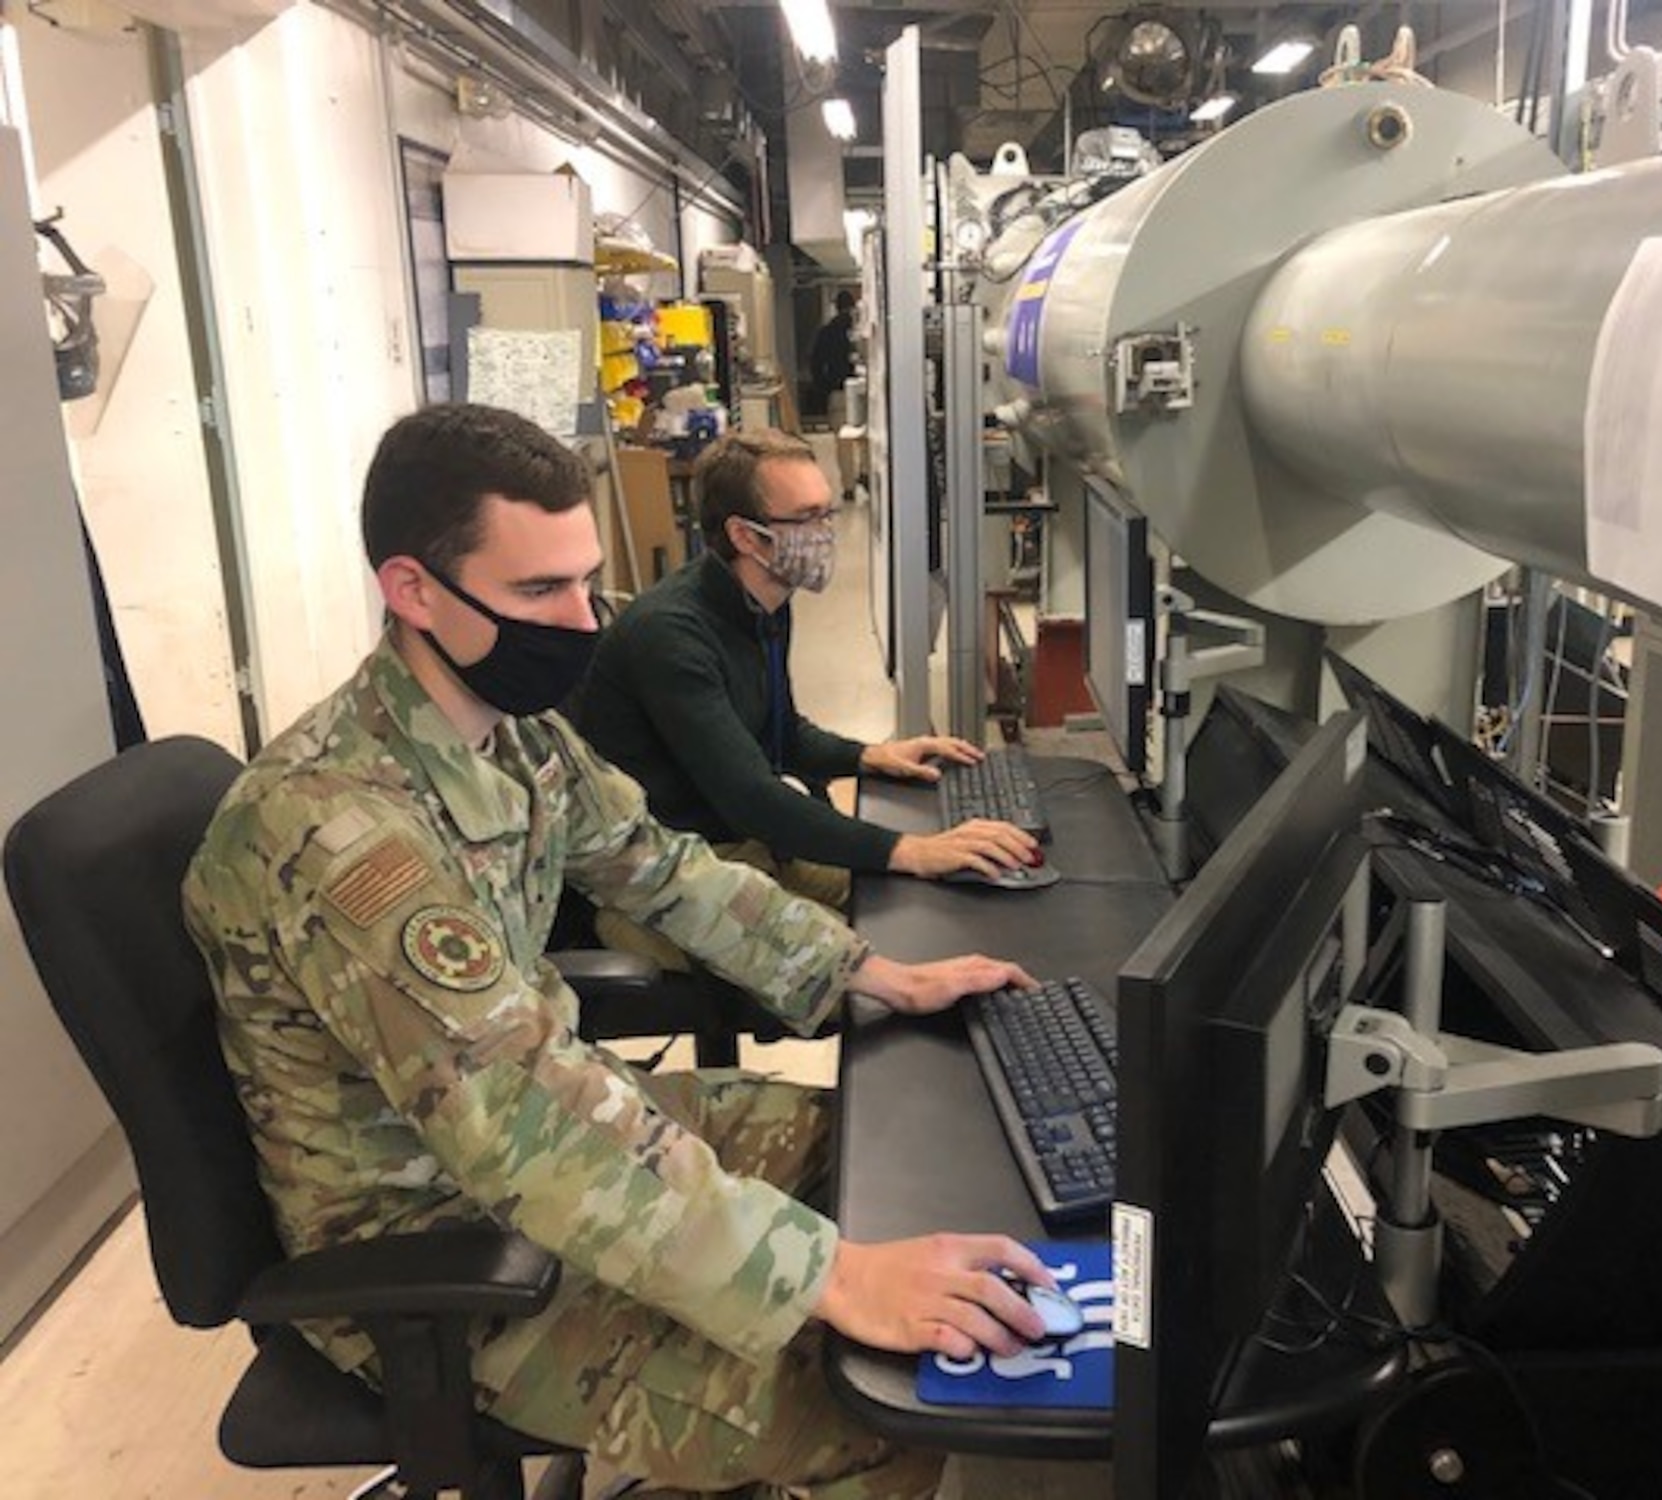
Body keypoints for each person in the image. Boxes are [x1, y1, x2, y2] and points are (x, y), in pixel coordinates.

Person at [182, 403, 1058, 1498]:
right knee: (877, 1405)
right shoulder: (338, 831)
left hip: (550, 1142)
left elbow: (661, 866)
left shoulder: (512, 731)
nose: (584, 621)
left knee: (874, 1165)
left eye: (585, 579)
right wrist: (825, 1276)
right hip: (434, 1242)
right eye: (538, 592)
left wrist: (864, 971)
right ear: (411, 591)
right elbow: (519, 1117)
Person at [573, 430, 1036, 973]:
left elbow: (779, 733)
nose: (825, 534)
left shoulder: (763, 601)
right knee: (877, 959)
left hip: (739, 844)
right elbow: (750, 796)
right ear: (747, 536)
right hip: (666, 875)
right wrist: (909, 849)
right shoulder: (670, 634)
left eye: (828, 514)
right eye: (808, 518)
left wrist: (867, 757)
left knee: (926, 903)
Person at [808, 289, 857, 417]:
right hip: (854, 382)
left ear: (836, 307)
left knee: (839, 419)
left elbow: (815, 362)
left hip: (834, 384)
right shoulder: (856, 330)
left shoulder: (827, 332)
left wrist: (823, 386)